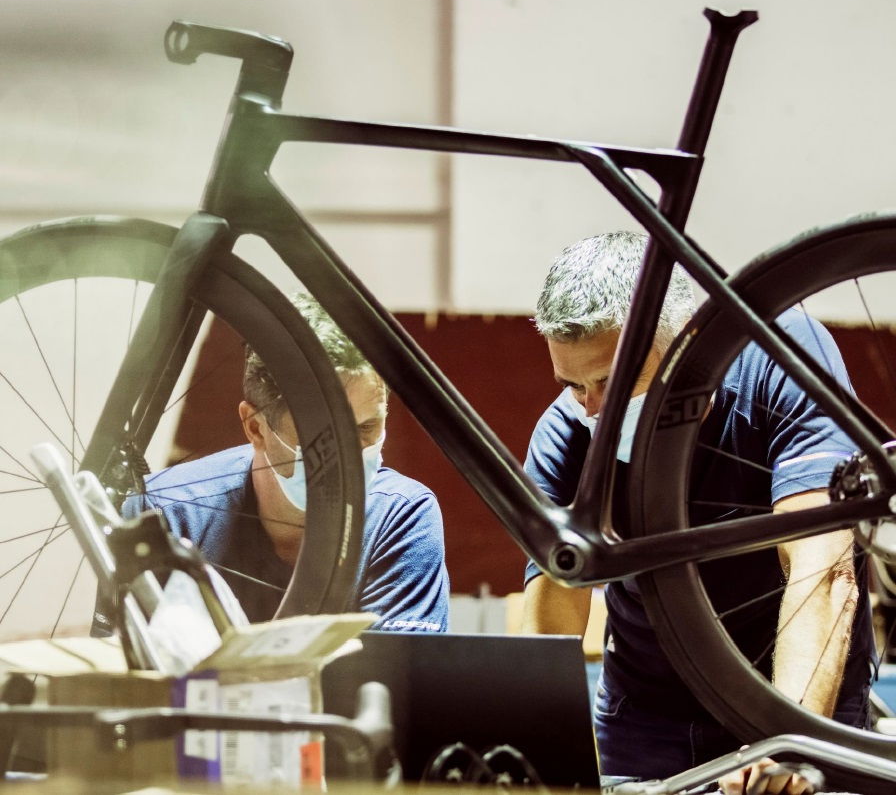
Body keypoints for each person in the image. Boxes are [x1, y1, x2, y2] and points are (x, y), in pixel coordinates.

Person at [520, 232, 874, 792]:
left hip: (800, 694)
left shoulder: (780, 357)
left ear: (688, 341)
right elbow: (549, 632)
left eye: (611, 381)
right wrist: (551, 769)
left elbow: (822, 570)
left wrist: (788, 741)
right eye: (572, 385)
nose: (593, 409)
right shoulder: (567, 432)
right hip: (646, 720)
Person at [93, 292, 449, 634]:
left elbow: (400, 673)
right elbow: (122, 670)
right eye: (323, 435)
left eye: (367, 428)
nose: (351, 457)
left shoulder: (401, 517)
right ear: (255, 427)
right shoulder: (162, 515)